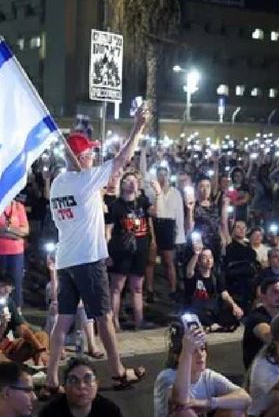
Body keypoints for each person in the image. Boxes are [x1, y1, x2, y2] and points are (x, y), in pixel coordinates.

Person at [44, 108, 149, 397]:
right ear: (79, 158)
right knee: (103, 318)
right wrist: (138, 126)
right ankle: (117, 372)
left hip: (65, 259)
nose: (93, 157)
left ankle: (52, 379)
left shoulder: (58, 184)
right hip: (88, 260)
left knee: (63, 321)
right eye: (89, 153)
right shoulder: (85, 179)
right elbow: (123, 159)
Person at [151, 322, 250, 417]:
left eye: (202, 349)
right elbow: (181, 399)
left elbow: (246, 399)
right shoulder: (167, 376)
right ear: (177, 356)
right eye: (193, 351)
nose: (200, 355)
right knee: (185, 414)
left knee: (234, 410)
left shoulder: (208, 376)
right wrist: (186, 351)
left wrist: (209, 403)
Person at [34, 357, 131, 417]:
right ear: (65, 388)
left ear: (97, 384)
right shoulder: (49, 415)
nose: (81, 386)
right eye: (73, 380)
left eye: (88, 379)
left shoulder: (109, 411)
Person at [0, 271, 49, 375]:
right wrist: (3, 326)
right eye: (2, 286)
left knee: (41, 336)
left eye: (9, 286)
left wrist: (40, 349)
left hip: (7, 345)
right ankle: (15, 373)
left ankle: (39, 369)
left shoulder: (9, 301)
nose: (7, 290)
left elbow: (21, 327)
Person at [106, 171, 157, 330]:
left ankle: (139, 320)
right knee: (117, 287)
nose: (131, 183)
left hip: (140, 250)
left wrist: (158, 194)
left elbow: (155, 213)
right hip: (121, 251)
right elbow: (108, 230)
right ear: (122, 184)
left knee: (137, 287)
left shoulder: (142, 201)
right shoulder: (116, 205)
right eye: (128, 180)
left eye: (134, 180)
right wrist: (106, 253)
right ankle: (113, 321)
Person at [143, 166, 185, 303]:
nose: (162, 178)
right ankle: (149, 289)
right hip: (154, 224)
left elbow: (179, 215)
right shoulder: (151, 192)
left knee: (168, 261)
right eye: (159, 175)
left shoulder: (175, 193)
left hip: (168, 226)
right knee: (151, 260)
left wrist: (179, 236)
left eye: (164, 175)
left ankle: (172, 289)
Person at [242, 276, 279, 369]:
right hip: (263, 368)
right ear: (263, 297)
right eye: (275, 292)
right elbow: (268, 336)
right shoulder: (256, 317)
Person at [184, 243, 243, 332]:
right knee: (194, 314)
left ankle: (212, 327)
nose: (209, 260)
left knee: (233, 314)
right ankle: (216, 326)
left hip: (213, 308)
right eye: (204, 257)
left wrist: (234, 305)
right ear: (199, 261)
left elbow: (224, 293)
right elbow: (189, 272)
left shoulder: (216, 275)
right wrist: (196, 254)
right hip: (198, 308)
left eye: (210, 257)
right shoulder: (195, 276)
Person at [0, 199, 29, 308]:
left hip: (16, 253)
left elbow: (25, 230)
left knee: (15, 284)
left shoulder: (18, 206)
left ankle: (16, 312)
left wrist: (6, 229)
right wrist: (14, 235)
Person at [224, 220, 259, 313]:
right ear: (233, 229)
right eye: (238, 227)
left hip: (250, 286)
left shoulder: (248, 247)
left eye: (243, 228)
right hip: (238, 286)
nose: (241, 230)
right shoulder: (230, 248)